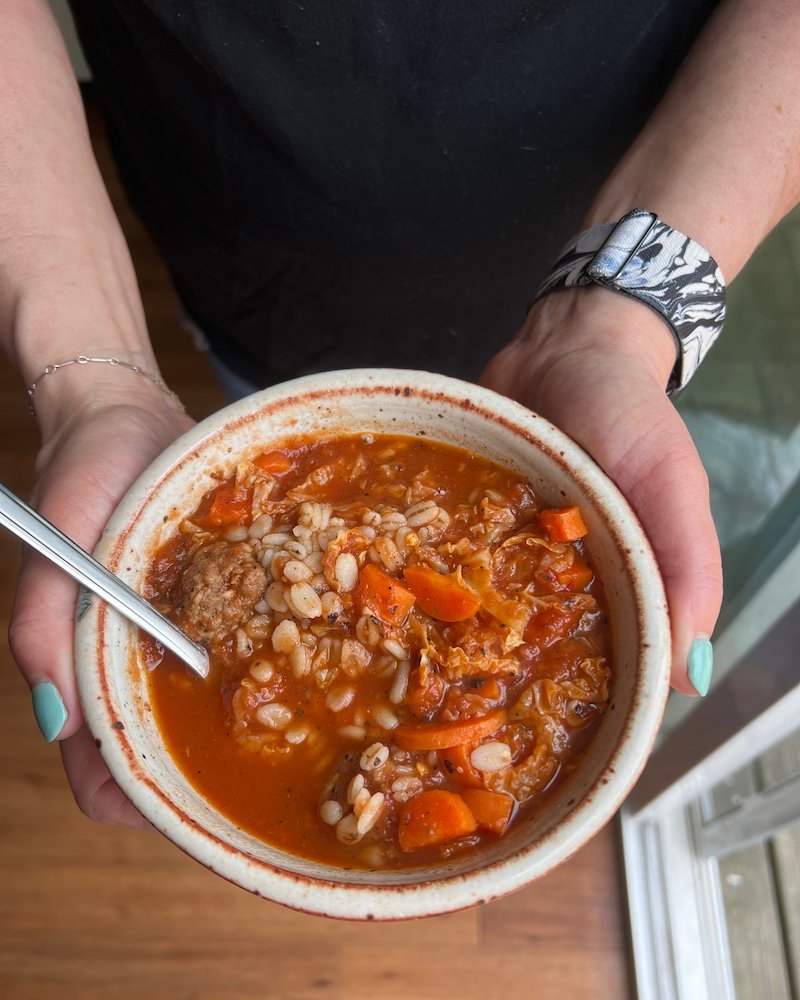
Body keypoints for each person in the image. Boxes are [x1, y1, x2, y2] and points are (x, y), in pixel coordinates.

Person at [2, 0, 798, 829]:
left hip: (594, 202)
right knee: (245, 401)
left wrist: (616, 322)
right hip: (240, 231)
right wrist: (94, 378)